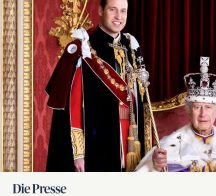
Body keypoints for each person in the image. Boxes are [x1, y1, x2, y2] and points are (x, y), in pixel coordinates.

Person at [46, 0, 146, 172]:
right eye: (113, 10)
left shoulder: (132, 47)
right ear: (100, 10)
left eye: (123, 11)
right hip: (96, 144)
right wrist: (78, 154)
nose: (118, 17)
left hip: (131, 140)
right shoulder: (83, 46)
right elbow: (73, 104)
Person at [135, 57, 216, 172]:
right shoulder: (169, 145)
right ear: (189, 112)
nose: (203, 114)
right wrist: (156, 166)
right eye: (197, 107)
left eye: (208, 107)